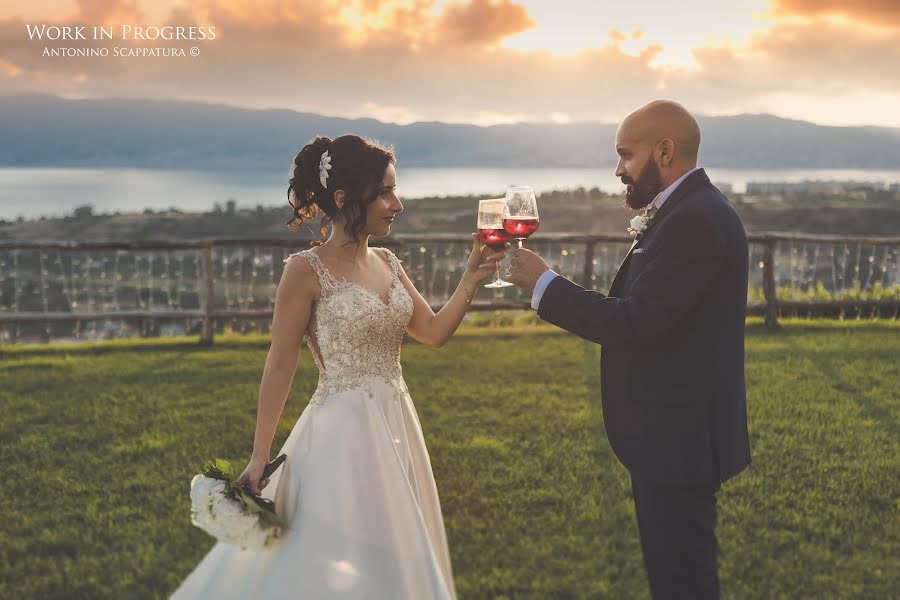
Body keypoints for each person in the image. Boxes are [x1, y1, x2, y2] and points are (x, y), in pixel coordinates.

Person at [170, 134, 508, 599]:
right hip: (340, 434)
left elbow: (432, 332)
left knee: (396, 550)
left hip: (397, 425)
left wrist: (471, 276)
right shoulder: (305, 270)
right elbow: (281, 364)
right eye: (386, 192)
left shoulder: (389, 262)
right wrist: (258, 454)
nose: (398, 204)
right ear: (346, 198)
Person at [506, 100, 751, 599]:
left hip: (679, 438)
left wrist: (545, 285)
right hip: (668, 434)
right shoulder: (687, 212)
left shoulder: (696, 219)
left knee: (683, 582)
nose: (618, 170)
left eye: (625, 155)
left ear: (664, 151)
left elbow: (636, 323)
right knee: (673, 577)